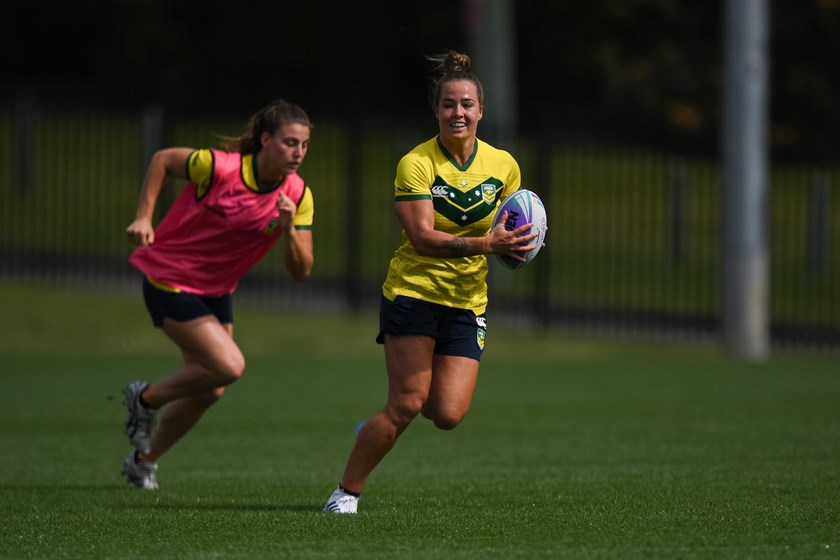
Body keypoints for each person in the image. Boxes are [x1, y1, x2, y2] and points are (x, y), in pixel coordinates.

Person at [323, 51, 538, 514]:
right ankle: (345, 493)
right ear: (436, 110)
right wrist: (489, 244)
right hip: (413, 292)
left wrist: (521, 244)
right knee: (405, 404)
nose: (457, 112)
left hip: (468, 300)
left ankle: (386, 419)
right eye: (448, 104)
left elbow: (512, 228)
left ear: (481, 111)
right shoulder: (416, 163)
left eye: (466, 104)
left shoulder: (504, 166)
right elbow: (421, 238)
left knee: (447, 414)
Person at [121, 99, 315, 489]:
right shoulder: (220, 167)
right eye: (290, 142)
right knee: (230, 365)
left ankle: (143, 461)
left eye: (305, 145)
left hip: (216, 290)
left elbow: (302, 271)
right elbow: (162, 160)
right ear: (266, 140)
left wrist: (289, 229)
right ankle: (144, 399)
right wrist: (144, 216)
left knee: (211, 388)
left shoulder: (298, 194)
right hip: (169, 277)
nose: (298, 152)